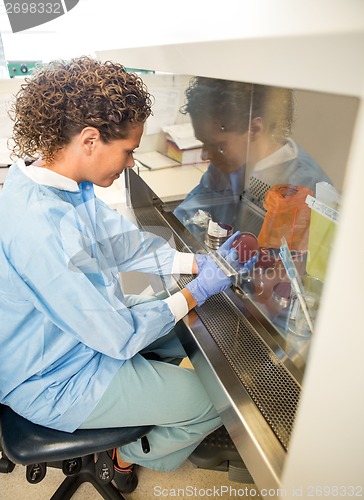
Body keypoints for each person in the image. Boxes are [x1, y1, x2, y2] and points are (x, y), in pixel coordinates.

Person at [0, 57, 239, 494]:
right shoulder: (40, 227)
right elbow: (118, 336)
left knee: (183, 320)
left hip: (69, 337)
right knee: (212, 402)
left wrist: (191, 266)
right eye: (128, 150)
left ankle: (151, 391)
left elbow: (119, 244)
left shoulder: (55, 182)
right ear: (90, 140)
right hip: (54, 379)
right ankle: (127, 454)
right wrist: (194, 293)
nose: (131, 162)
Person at [174, 77, 331, 237]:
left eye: (217, 145)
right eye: (203, 142)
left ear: (254, 129)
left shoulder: (309, 189)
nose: (205, 155)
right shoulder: (228, 166)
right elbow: (189, 215)